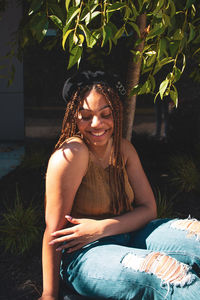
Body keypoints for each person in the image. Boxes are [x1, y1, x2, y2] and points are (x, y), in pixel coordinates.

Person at [39, 70, 200, 300]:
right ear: (73, 117)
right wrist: (49, 294)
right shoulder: (72, 154)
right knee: (166, 273)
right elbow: (52, 232)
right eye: (86, 116)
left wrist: (101, 228)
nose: (97, 124)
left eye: (105, 114)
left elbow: (148, 209)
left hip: (130, 235)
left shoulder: (123, 150)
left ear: (116, 114)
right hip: (85, 255)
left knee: (196, 238)